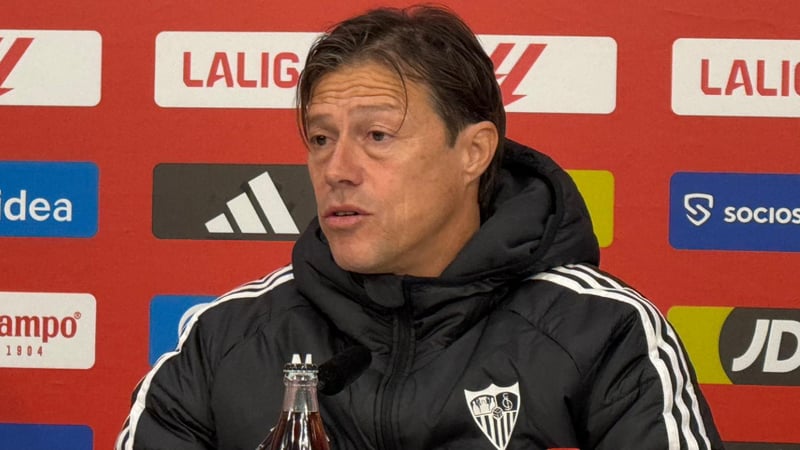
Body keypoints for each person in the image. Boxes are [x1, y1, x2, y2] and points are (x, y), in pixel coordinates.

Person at [116, 5, 725, 449]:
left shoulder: (604, 333)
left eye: (377, 135)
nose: (337, 169)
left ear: (473, 152)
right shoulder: (226, 338)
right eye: (321, 139)